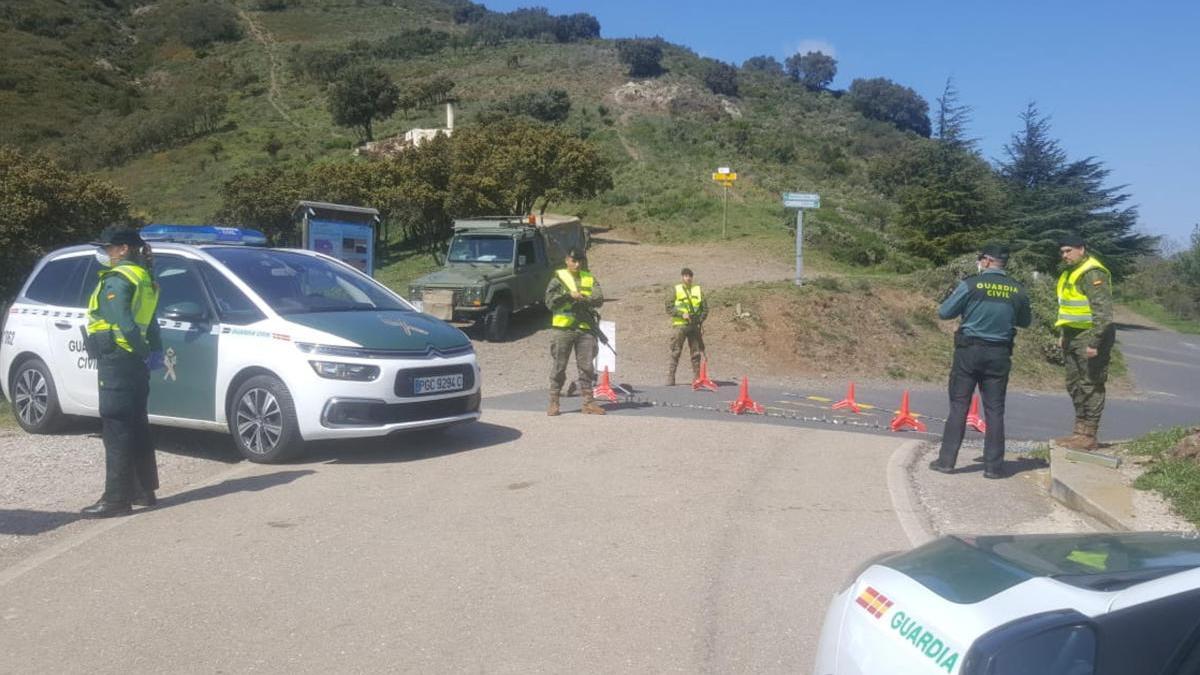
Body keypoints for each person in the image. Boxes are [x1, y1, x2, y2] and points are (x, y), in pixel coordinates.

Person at [81, 225, 164, 518]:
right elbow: (151, 324)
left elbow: (125, 323)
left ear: (123, 249)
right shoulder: (146, 277)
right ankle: (144, 490)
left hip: (117, 357)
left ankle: (116, 499)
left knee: (115, 424)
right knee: (136, 422)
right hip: (135, 362)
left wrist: (139, 351)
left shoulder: (118, 279)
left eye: (107, 248)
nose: (104, 253)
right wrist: (153, 352)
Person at [929, 244, 1032, 479]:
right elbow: (1025, 322)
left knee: (959, 406)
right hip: (999, 354)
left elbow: (945, 312)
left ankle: (946, 462)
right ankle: (993, 467)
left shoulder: (971, 284)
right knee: (995, 410)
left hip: (969, 352)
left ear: (986, 261)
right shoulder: (1018, 290)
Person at [1053, 233, 1114, 451]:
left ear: (1082, 249)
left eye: (1068, 250)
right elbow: (1068, 307)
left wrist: (1095, 343)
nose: (1064, 255)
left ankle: (1089, 435)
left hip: (1090, 336)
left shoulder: (1092, 272)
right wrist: (1063, 333)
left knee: (1091, 384)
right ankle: (1079, 431)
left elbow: (1103, 313)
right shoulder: (1071, 272)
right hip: (1072, 335)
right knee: (1074, 384)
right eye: (1062, 251)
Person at [545, 248, 606, 416]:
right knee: (559, 366)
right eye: (574, 260)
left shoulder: (589, 277)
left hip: (585, 328)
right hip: (563, 328)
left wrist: (583, 298)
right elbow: (549, 303)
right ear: (567, 260)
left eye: (580, 261)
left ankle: (588, 403)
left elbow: (599, 298)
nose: (577, 264)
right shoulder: (558, 279)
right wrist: (567, 295)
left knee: (587, 367)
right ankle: (554, 402)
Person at [665, 267, 707, 386]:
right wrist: (681, 314)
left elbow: (705, 308)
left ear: (692, 278)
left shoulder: (698, 290)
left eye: (689, 276)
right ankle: (671, 378)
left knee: (696, 353)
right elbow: (668, 307)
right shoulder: (676, 290)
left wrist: (699, 319)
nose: (688, 278)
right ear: (682, 277)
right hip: (680, 326)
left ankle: (697, 378)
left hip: (694, 326)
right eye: (685, 276)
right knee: (675, 352)